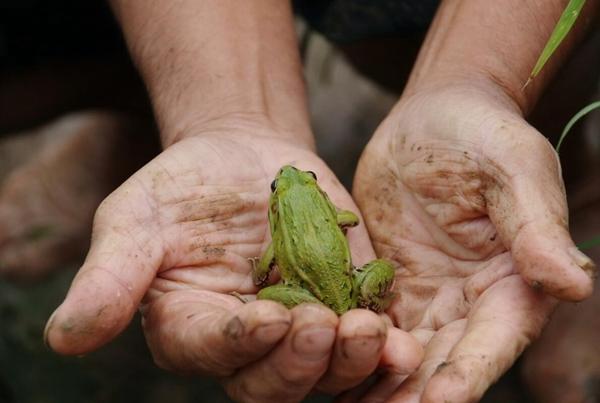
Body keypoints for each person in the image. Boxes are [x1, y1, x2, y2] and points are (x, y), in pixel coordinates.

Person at [41, 1, 598, 402]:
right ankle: (134, 115)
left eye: (287, 185)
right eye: (288, 184)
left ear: (278, 202)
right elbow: (348, 218)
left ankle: (582, 185)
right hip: (351, 282)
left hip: (309, 286)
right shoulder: (335, 213)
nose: (286, 183)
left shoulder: (280, 221)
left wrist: (475, 82)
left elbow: (266, 270)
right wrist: (223, 116)